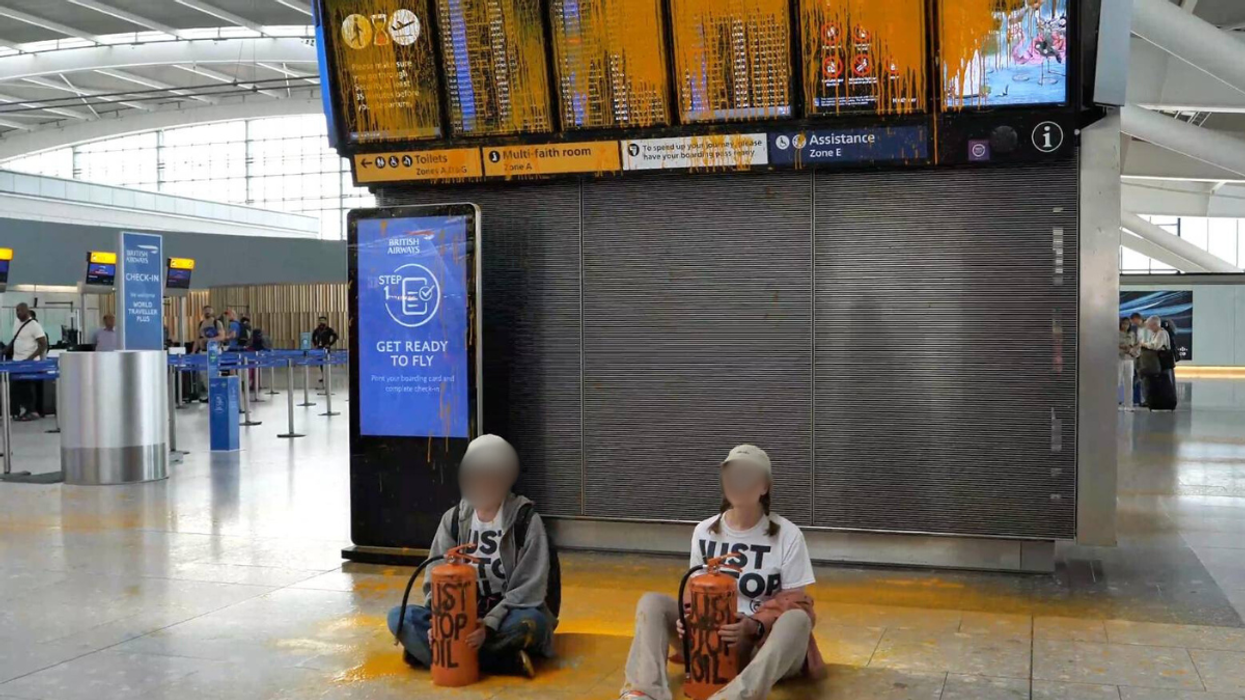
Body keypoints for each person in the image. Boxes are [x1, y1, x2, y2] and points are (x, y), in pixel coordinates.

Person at [618, 445, 824, 700]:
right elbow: (693, 589)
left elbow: (796, 602)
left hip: (761, 648)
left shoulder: (788, 535)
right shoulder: (704, 531)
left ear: (764, 487)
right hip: (709, 643)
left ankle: (736, 696)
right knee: (652, 603)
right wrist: (688, 618)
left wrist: (753, 626)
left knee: (798, 619)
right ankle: (644, 691)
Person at [387, 435, 557, 678]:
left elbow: (529, 592)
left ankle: (439, 656)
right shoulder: (453, 520)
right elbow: (434, 581)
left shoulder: (526, 521)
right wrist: (440, 621)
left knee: (530, 625)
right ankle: (500, 662)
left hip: (507, 614)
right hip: (458, 617)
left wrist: (487, 626)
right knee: (400, 618)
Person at [6, 303, 48, 421]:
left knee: (27, 387)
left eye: (20, 311)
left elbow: (43, 344)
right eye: (17, 311)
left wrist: (31, 358)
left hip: (29, 362)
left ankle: (31, 411)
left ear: (27, 311)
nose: (18, 313)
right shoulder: (16, 322)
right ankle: (20, 411)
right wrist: (6, 350)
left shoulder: (34, 325)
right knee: (16, 388)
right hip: (16, 362)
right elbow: (16, 338)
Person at [1139, 316, 1176, 411]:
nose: (1149, 329)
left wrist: (1144, 344)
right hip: (1159, 362)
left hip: (1163, 362)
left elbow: (1155, 346)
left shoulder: (1162, 333)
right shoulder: (1156, 334)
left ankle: (1167, 400)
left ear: (1155, 324)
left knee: (1165, 380)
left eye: (1150, 326)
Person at [1117, 317, 1137, 411]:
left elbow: (1135, 345)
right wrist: (1122, 347)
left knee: (1129, 381)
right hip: (1118, 359)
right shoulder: (1116, 333)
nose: (1125, 326)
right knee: (1117, 381)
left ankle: (1128, 405)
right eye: (1123, 323)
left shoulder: (1132, 334)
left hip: (1129, 359)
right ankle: (1115, 403)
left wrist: (1132, 350)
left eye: (1127, 324)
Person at [312, 316, 338, 386]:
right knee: (321, 363)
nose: (322, 322)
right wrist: (315, 344)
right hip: (319, 348)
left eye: (323, 320)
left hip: (326, 348)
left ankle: (327, 376)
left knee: (327, 362)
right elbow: (313, 337)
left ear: (326, 321)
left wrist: (330, 344)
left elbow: (336, 336)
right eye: (320, 320)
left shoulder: (329, 329)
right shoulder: (317, 330)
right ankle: (323, 376)